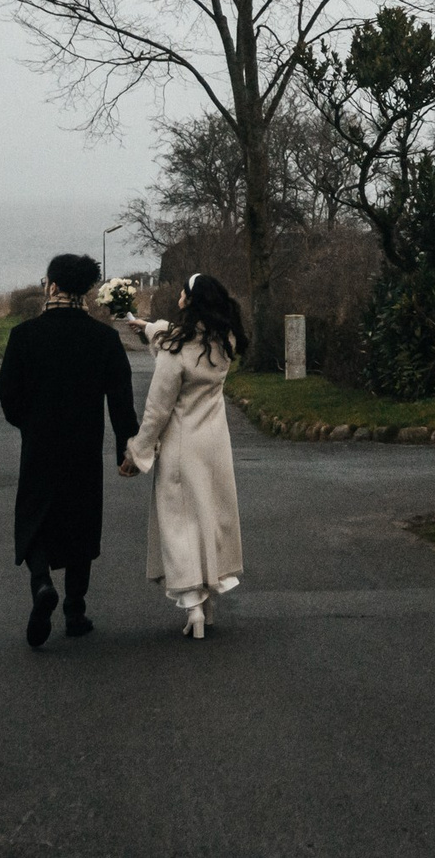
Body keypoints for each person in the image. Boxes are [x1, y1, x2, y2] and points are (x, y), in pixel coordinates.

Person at [0, 252, 136, 649]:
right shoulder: (103, 339)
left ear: (52, 286)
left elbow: (7, 391)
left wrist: (27, 423)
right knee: (81, 524)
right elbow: (120, 400)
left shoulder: (23, 336)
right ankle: (75, 611)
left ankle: (41, 582)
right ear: (86, 290)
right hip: (83, 446)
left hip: (40, 445)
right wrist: (128, 449)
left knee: (34, 516)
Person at [119, 273, 247, 639]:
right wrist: (146, 327)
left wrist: (137, 452)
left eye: (182, 293)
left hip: (181, 444)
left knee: (178, 523)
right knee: (208, 516)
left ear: (190, 301)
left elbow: (158, 409)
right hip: (214, 443)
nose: (177, 297)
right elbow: (172, 335)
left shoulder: (177, 349)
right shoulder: (224, 341)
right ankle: (207, 601)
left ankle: (192, 602)